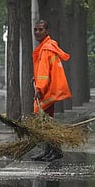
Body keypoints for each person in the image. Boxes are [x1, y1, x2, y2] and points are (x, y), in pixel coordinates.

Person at [31, 20, 72, 162]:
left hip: (46, 90)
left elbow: (44, 72)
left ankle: (55, 150)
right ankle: (49, 150)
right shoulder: (47, 46)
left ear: (47, 31)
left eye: (40, 29)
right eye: (35, 29)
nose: (37, 32)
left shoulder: (46, 48)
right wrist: (35, 79)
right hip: (50, 87)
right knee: (47, 120)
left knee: (46, 121)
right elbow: (45, 70)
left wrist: (39, 88)